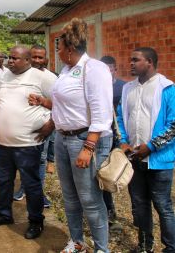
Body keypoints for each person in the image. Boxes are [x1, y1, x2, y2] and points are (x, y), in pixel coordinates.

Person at [51, 18, 113, 252]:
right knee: (69, 196)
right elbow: (66, 106)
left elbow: (101, 111)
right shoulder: (67, 70)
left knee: (90, 199)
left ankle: (101, 249)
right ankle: (77, 242)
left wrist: (89, 147)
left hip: (85, 139)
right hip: (62, 138)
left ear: (70, 49)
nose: (57, 51)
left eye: (60, 47)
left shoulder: (93, 68)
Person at [0, 46, 55, 240]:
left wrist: (51, 125)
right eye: (9, 58)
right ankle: (4, 214)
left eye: (15, 58)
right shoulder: (3, 77)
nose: (10, 61)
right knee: (4, 182)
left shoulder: (42, 78)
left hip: (28, 144)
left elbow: (65, 102)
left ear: (28, 60)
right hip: (4, 144)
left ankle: (35, 221)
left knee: (31, 185)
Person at [117, 47, 175, 253]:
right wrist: (123, 141)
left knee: (163, 206)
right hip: (134, 158)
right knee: (139, 205)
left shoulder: (167, 88)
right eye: (130, 60)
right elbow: (120, 118)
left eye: (136, 60)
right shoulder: (127, 89)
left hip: (159, 159)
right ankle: (144, 246)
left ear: (149, 62)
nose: (130, 63)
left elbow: (174, 125)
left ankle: (170, 247)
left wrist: (150, 147)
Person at [13, 45, 57, 209]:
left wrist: (50, 125)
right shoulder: (18, 76)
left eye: (41, 57)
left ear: (46, 59)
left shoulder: (51, 78)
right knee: (23, 160)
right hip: (22, 127)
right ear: (28, 58)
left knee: (40, 159)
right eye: (34, 57)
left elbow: (59, 105)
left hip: (42, 127)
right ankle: (24, 188)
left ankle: (39, 193)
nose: (37, 60)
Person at [100, 55, 126, 232]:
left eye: (110, 69)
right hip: (100, 137)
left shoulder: (123, 88)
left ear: (115, 70)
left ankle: (137, 214)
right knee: (105, 174)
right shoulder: (96, 87)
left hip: (119, 137)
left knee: (124, 172)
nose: (107, 72)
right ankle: (109, 213)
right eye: (104, 69)